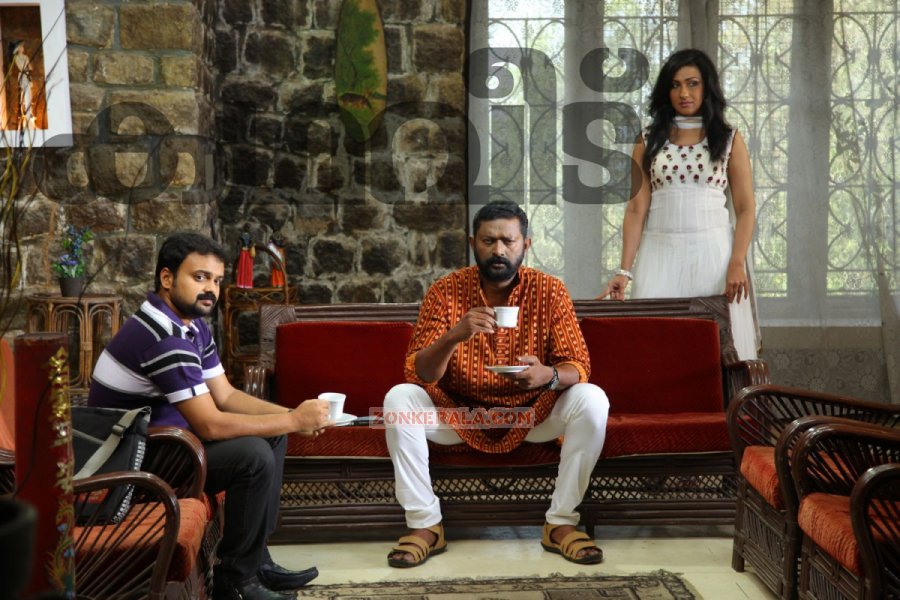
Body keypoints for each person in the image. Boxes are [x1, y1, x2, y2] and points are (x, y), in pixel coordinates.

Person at [88, 232, 331, 600]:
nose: (211, 290)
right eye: (199, 277)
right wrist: (296, 421)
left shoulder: (191, 324)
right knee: (253, 456)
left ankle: (257, 560)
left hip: (165, 443)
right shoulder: (164, 337)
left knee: (272, 435)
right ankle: (236, 582)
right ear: (167, 278)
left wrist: (292, 414)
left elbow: (226, 395)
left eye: (216, 280)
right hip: (134, 461)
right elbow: (210, 423)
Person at [383, 201, 610, 567]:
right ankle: (425, 525)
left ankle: (561, 522)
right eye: (489, 241)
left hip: (533, 415)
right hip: (460, 415)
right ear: (473, 243)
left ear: (526, 244)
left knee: (592, 398)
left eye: (509, 240)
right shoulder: (445, 291)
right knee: (399, 398)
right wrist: (454, 335)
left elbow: (578, 365)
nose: (499, 250)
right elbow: (420, 373)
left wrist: (548, 375)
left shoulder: (550, 291)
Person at [599, 48, 760, 360]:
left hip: (714, 258)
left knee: (715, 354)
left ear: (707, 87)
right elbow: (636, 209)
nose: (684, 93)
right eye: (675, 85)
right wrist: (624, 271)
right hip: (659, 254)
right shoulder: (647, 140)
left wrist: (737, 262)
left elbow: (745, 208)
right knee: (656, 350)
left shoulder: (729, 138)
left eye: (692, 83)